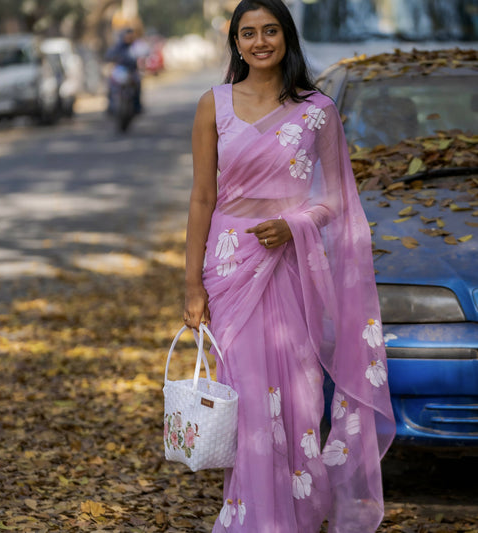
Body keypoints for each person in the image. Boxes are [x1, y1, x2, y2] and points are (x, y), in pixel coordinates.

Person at [183, 0, 396, 531]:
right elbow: (201, 199)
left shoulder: (317, 110)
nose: (260, 42)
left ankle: (296, 514)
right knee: (250, 404)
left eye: (270, 31)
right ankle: (255, 518)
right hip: (231, 267)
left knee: (300, 401)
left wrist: (295, 225)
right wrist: (191, 284)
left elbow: (338, 199)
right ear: (235, 43)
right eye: (248, 33)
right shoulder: (214, 104)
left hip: (292, 266)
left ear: (286, 37)